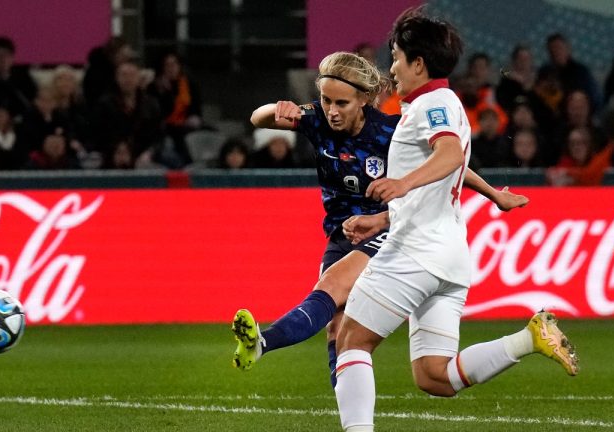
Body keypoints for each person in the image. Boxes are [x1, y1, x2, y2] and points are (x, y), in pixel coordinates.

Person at [331, 10, 577, 431]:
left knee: (350, 340)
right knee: (434, 376)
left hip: (415, 253)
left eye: (396, 57)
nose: (392, 68)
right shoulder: (447, 105)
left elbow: (447, 156)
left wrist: (402, 184)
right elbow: (453, 163)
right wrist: (492, 194)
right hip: (449, 259)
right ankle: (529, 337)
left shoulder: (432, 104)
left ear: (418, 63)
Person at [231, 51, 529, 387]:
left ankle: (264, 342)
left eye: (341, 102)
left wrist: (495, 195)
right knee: (337, 329)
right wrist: (278, 109)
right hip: (341, 234)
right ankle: (348, 410)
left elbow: (450, 165)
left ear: (364, 99)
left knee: (330, 288)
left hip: (386, 228)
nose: (331, 110)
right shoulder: (316, 119)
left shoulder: (391, 130)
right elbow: (258, 119)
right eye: (326, 100)